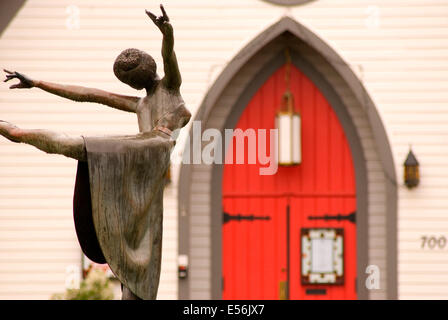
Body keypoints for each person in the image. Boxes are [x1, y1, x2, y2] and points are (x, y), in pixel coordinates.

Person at [0, 5, 190, 300]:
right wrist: (38, 83)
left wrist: (168, 33)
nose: (130, 83)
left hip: (150, 151)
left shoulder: (170, 87)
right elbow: (87, 93)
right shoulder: (141, 102)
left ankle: (17, 132)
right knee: (79, 146)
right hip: (141, 162)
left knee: (81, 146)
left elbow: (169, 59)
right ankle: (16, 132)